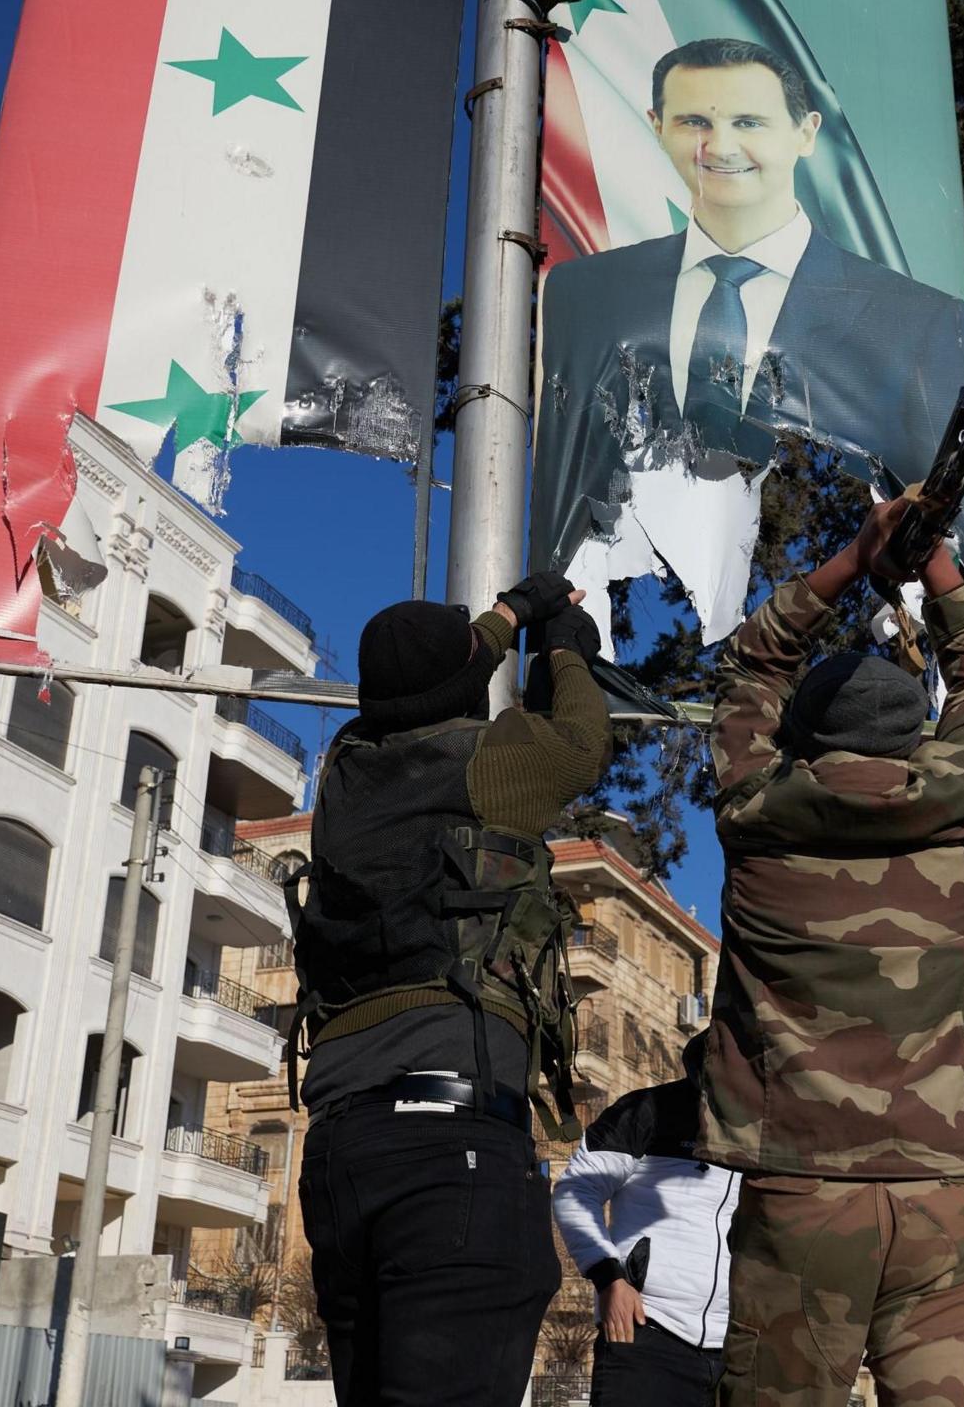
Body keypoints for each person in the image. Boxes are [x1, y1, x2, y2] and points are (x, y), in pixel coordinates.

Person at [698, 499, 964, 1406]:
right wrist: (938, 567)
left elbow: (751, 665)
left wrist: (852, 557)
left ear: (798, 737)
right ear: (915, 737)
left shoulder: (755, 819)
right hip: (949, 1188)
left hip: (803, 1188)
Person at [531, 36, 964, 638]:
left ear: (805, 132)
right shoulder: (583, 293)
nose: (720, 146)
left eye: (749, 121)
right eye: (694, 121)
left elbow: (951, 525)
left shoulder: (916, 320)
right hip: (619, 674)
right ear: (656, 126)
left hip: (844, 675)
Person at [289, 570, 613, 1406]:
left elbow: (433, 683)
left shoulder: (346, 771)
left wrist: (509, 616)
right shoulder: (487, 763)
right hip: (448, 1148)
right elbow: (580, 745)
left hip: (339, 1152)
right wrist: (569, 653)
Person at [554, 1035, 744, 1407]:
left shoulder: (771, 1136)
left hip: (740, 1347)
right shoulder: (650, 1110)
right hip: (645, 1333)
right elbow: (575, 1191)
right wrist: (608, 1277)